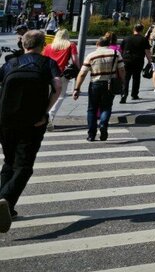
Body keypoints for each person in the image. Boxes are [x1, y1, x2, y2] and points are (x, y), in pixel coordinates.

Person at [0, 29, 62, 231]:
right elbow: (58, 87)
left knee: (10, 162)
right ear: (43, 45)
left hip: (5, 121)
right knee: (24, 166)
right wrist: (45, 112)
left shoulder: (10, 63)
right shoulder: (47, 63)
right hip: (32, 122)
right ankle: (5, 199)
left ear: (23, 44)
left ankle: (7, 206)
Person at [72, 34, 124, 142]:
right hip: (110, 84)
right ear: (108, 44)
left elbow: (82, 73)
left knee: (92, 109)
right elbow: (122, 70)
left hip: (95, 84)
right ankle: (103, 124)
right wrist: (123, 82)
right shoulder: (116, 53)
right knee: (107, 107)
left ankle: (91, 135)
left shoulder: (91, 55)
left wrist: (77, 88)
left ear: (97, 44)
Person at [119, 24, 152, 103]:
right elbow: (147, 51)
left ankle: (124, 94)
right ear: (142, 30)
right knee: (136, 78)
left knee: (126, 78)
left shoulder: (126, 39)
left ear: (134, 29)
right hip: (138, 60)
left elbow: (121, 50)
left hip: (126, 60)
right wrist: (150, 61)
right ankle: (134, 94)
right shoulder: (144, 39)